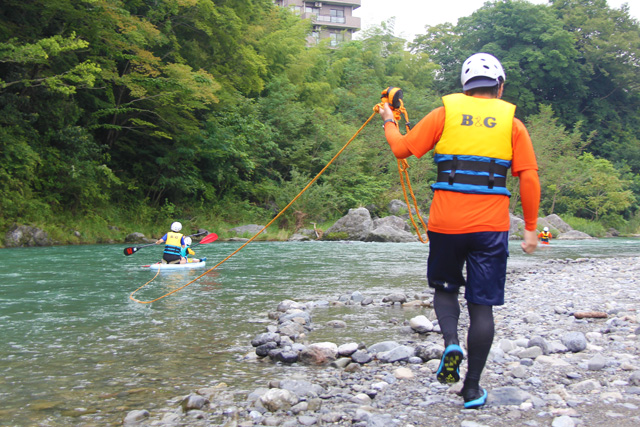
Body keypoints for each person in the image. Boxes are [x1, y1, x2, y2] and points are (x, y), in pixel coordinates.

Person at [378, 53, 540, 409]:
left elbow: (402, 149)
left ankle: (451, 342)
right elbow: (528, 177)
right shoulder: (513, 123)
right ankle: (471, 388)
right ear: (500, 87)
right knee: (482, 308)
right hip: (491, 227)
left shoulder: (444, 114)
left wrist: (389, 120)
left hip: (446, 223)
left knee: (445, 289)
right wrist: (530, 230)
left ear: (465, 87)